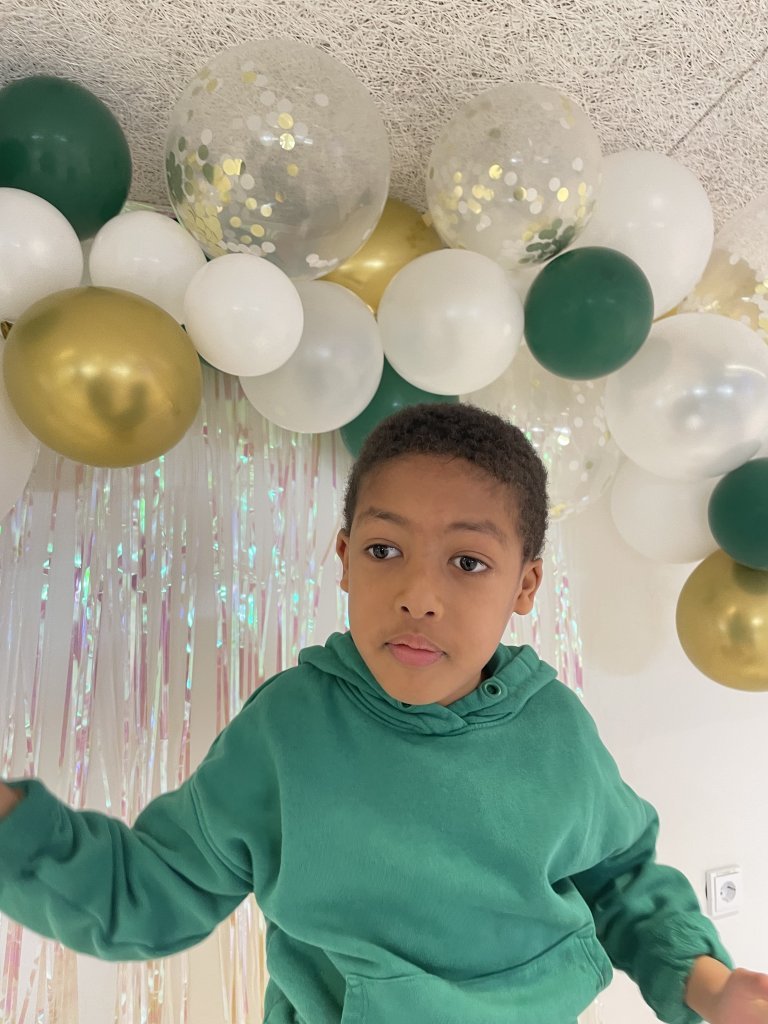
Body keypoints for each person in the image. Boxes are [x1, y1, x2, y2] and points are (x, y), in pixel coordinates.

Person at [0, 401, 766, 1024]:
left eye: (468, 562)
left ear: (525, 586)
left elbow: (622, 883)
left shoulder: (555, 728)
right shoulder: (288, 731)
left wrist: (707, 986)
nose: (418, 596)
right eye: (384, 550)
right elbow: (149, 893)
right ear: (344, 558)